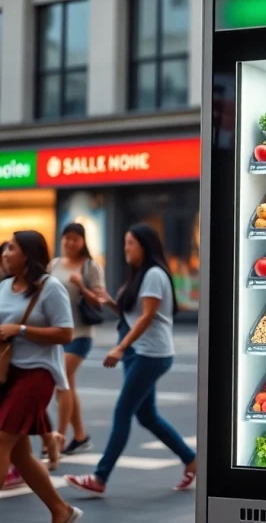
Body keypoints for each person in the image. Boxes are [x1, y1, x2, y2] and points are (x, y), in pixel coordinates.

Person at [65, 223, 197, 495]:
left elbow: (148, 316)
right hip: (142, 352)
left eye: (130, 243)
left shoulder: (153, 275)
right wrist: (110, 302)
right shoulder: (141, 275)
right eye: (125, 242)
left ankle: (100, 477)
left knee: (123, 411)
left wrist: (121, 347)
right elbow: (135, 314)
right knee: (146, 416)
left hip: (150, 354)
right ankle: (191, 459)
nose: (125, 248)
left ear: (144, 246)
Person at [0, 231, 83, 522]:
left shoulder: (51, 288)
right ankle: (62, 510)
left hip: (37, 374)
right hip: (7, 374)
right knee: (20, 453)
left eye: (12, 248)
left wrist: (20, 330)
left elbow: (66, 333)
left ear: (28, 254)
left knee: (1, 442)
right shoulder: (5, 286)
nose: (6, 253)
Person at [48, 222, 105, 457]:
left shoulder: (91, 267)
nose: (70, 243)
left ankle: (58, 439)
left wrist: (81, 285)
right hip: (57, 334)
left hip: (80, 334)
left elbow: (99, 301)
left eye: (75, 239)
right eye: (67, 238)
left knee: (61, 384)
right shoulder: (53, 265)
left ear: (83, 242)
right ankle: (80, 436)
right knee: (68, 385)